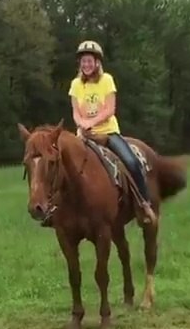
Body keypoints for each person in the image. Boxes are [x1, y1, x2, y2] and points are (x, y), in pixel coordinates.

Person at [67, 39, 157, 227]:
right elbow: (75, 111)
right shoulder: (76, 84)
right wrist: (81, 124)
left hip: (107, 133)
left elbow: (109, 109)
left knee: (131, 162)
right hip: (83, 135)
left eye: (89, 61)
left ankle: (144, 204)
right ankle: (58, 211)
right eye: (83, 61)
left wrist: (91, 122)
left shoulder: (106, 80)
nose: (86, 64)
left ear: (97, 62)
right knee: (64, 166)